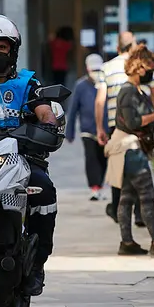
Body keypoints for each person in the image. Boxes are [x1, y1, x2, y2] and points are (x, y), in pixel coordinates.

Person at [0, 14, 58, 296]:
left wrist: (46, 125)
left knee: (42, 188)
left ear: (13, 51)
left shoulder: (27, 83)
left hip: (18, 158)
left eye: (2, 47)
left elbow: (45, 112)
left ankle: (37, 263)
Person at [104, 46, 154, 256]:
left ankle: (127, 242)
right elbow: (134, 122)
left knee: (127, 195)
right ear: (139, 67)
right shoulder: (128, 92)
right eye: (149, 69)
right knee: (147, 193)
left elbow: (149, 123)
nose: (150, 74)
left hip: (130, 149)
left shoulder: (137, 91)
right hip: (129, 149)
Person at [94, 32, 144, 227]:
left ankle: (116, 210)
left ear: (117, 48)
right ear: (133, 47)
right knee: (140, 167)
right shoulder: (141, 66)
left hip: (118, 125)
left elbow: (100, 100)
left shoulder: (106, 68)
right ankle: (140, 213)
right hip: (140, 123)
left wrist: (100, 128)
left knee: (117, 168)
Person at [66, 53, 108, 201]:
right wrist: (69, 132)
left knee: (103, 159)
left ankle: (100, 185)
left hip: (105, 130)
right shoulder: (80, 86)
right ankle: (94, 187)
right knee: (91, 158)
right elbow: (73, 110)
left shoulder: (107, 84)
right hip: (88, 129)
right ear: (87, 69)